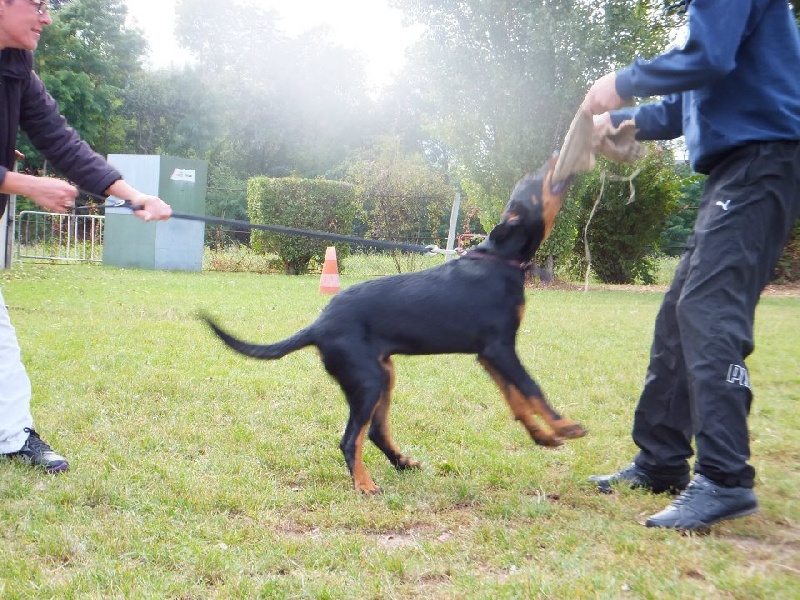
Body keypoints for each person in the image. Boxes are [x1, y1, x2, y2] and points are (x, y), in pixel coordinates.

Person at [581, 0, 800, 531]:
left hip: (761, 160)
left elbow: (709, 58)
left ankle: (725, 477)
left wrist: (623, 81)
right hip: (735, 168)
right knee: (679, 311)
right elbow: (686, 107)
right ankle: (661, 461)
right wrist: (624, 121)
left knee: (707, 308)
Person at [0, 0, 172, 473]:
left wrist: (132, 194)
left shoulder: (16, 68)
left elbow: (60, 140)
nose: (47, 17)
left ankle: (13, 437)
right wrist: (24, 184)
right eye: (37, 4)